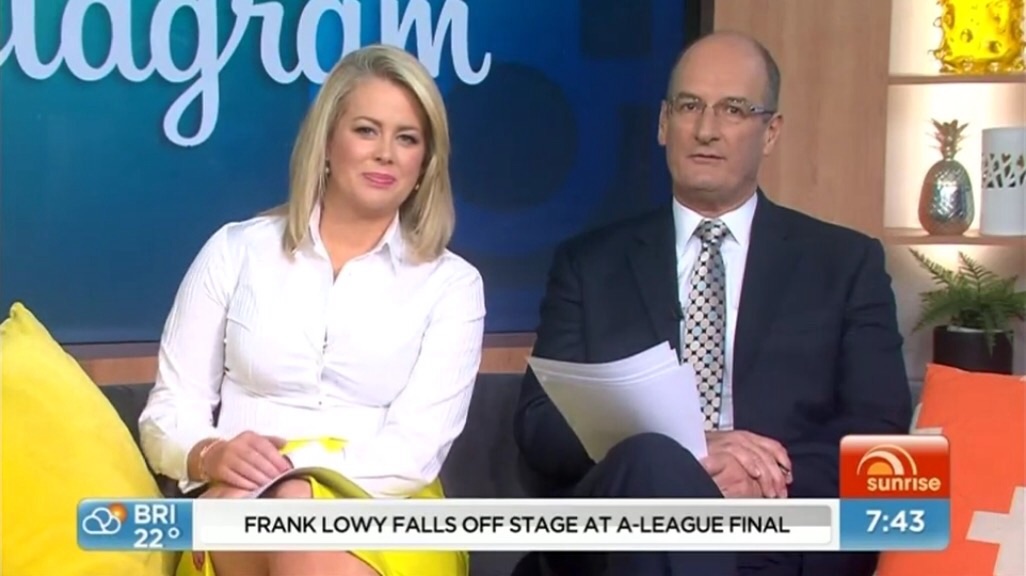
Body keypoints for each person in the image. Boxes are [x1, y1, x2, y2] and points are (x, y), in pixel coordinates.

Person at [513, 31, 912, 576]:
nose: (706, 129)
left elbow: (881, 432)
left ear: (771, 132)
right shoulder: (589, 265)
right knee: (654, 464)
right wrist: (689, 455)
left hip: (773, 530)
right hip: (623, 532)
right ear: (663, 124)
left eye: (734, 109)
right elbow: (540, 427)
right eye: (689, 106)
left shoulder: (844, 264)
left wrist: (758, 472)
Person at [138, 44, 485, 576]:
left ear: (424, 165)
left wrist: (287, 476)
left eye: (407, 138)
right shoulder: (235, 251)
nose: (386, 153)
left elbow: (414, 451)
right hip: (233, 503)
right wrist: (209, 455)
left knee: (296, 515)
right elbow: (169, 411)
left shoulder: (453, 285)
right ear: (326, 142)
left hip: (387, 512)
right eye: (366, 130)